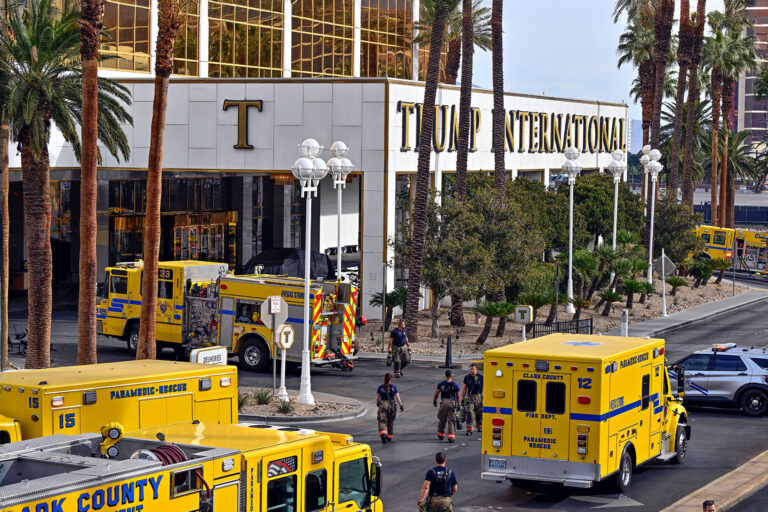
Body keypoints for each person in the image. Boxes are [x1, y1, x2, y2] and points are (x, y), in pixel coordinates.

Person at [376, 372, 403, 444]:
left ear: (384, 378)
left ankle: (383, 435)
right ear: (391, 379)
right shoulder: (394, 387)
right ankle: (390, 437)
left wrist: (378, 403)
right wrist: (401, 405)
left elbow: (378, 398)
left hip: (383, 404)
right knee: (390, 422)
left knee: (382, 421)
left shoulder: (380, 387)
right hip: (392, 405)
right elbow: (397, 397)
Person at [433, 370, 460, 443]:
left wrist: (434, 401)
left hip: (443, 403)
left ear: (445, 376)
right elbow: (457, 396)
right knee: (451, 420)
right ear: (452, 375)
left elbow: (436, 393)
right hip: (452, 403)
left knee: (442, 419)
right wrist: (458, 404)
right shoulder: (455, 385)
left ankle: (441, 434)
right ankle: (451, 436)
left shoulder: (441, 384)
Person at [460, 363, 483, 435]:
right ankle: (469, 428)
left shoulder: (481, 377)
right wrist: (463, 398)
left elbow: (486, 388)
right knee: (469, 411)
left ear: (476, 370)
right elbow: (464, 389)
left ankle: (479, 425)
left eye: (473, 369)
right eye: (471, 369)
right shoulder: (467, 377)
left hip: (479, 397)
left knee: (479, 413)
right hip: (469, 397)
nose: (472, 370)